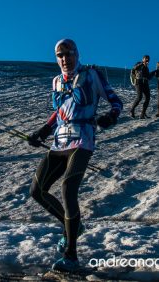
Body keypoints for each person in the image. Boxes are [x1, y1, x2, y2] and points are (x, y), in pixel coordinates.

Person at [28, 39, 123, 272]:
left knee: (68, 189)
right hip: (59, 142)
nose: (64, 59)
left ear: (76, 54)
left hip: (83, 140)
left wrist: (111, 117)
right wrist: (43, 131)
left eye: (68, 54)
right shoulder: (57, 81)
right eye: (60, 55)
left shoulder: (92, 75)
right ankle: (73, 227)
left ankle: (71, 255)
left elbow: (116, 101)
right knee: (37, 191)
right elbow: (59, 111)